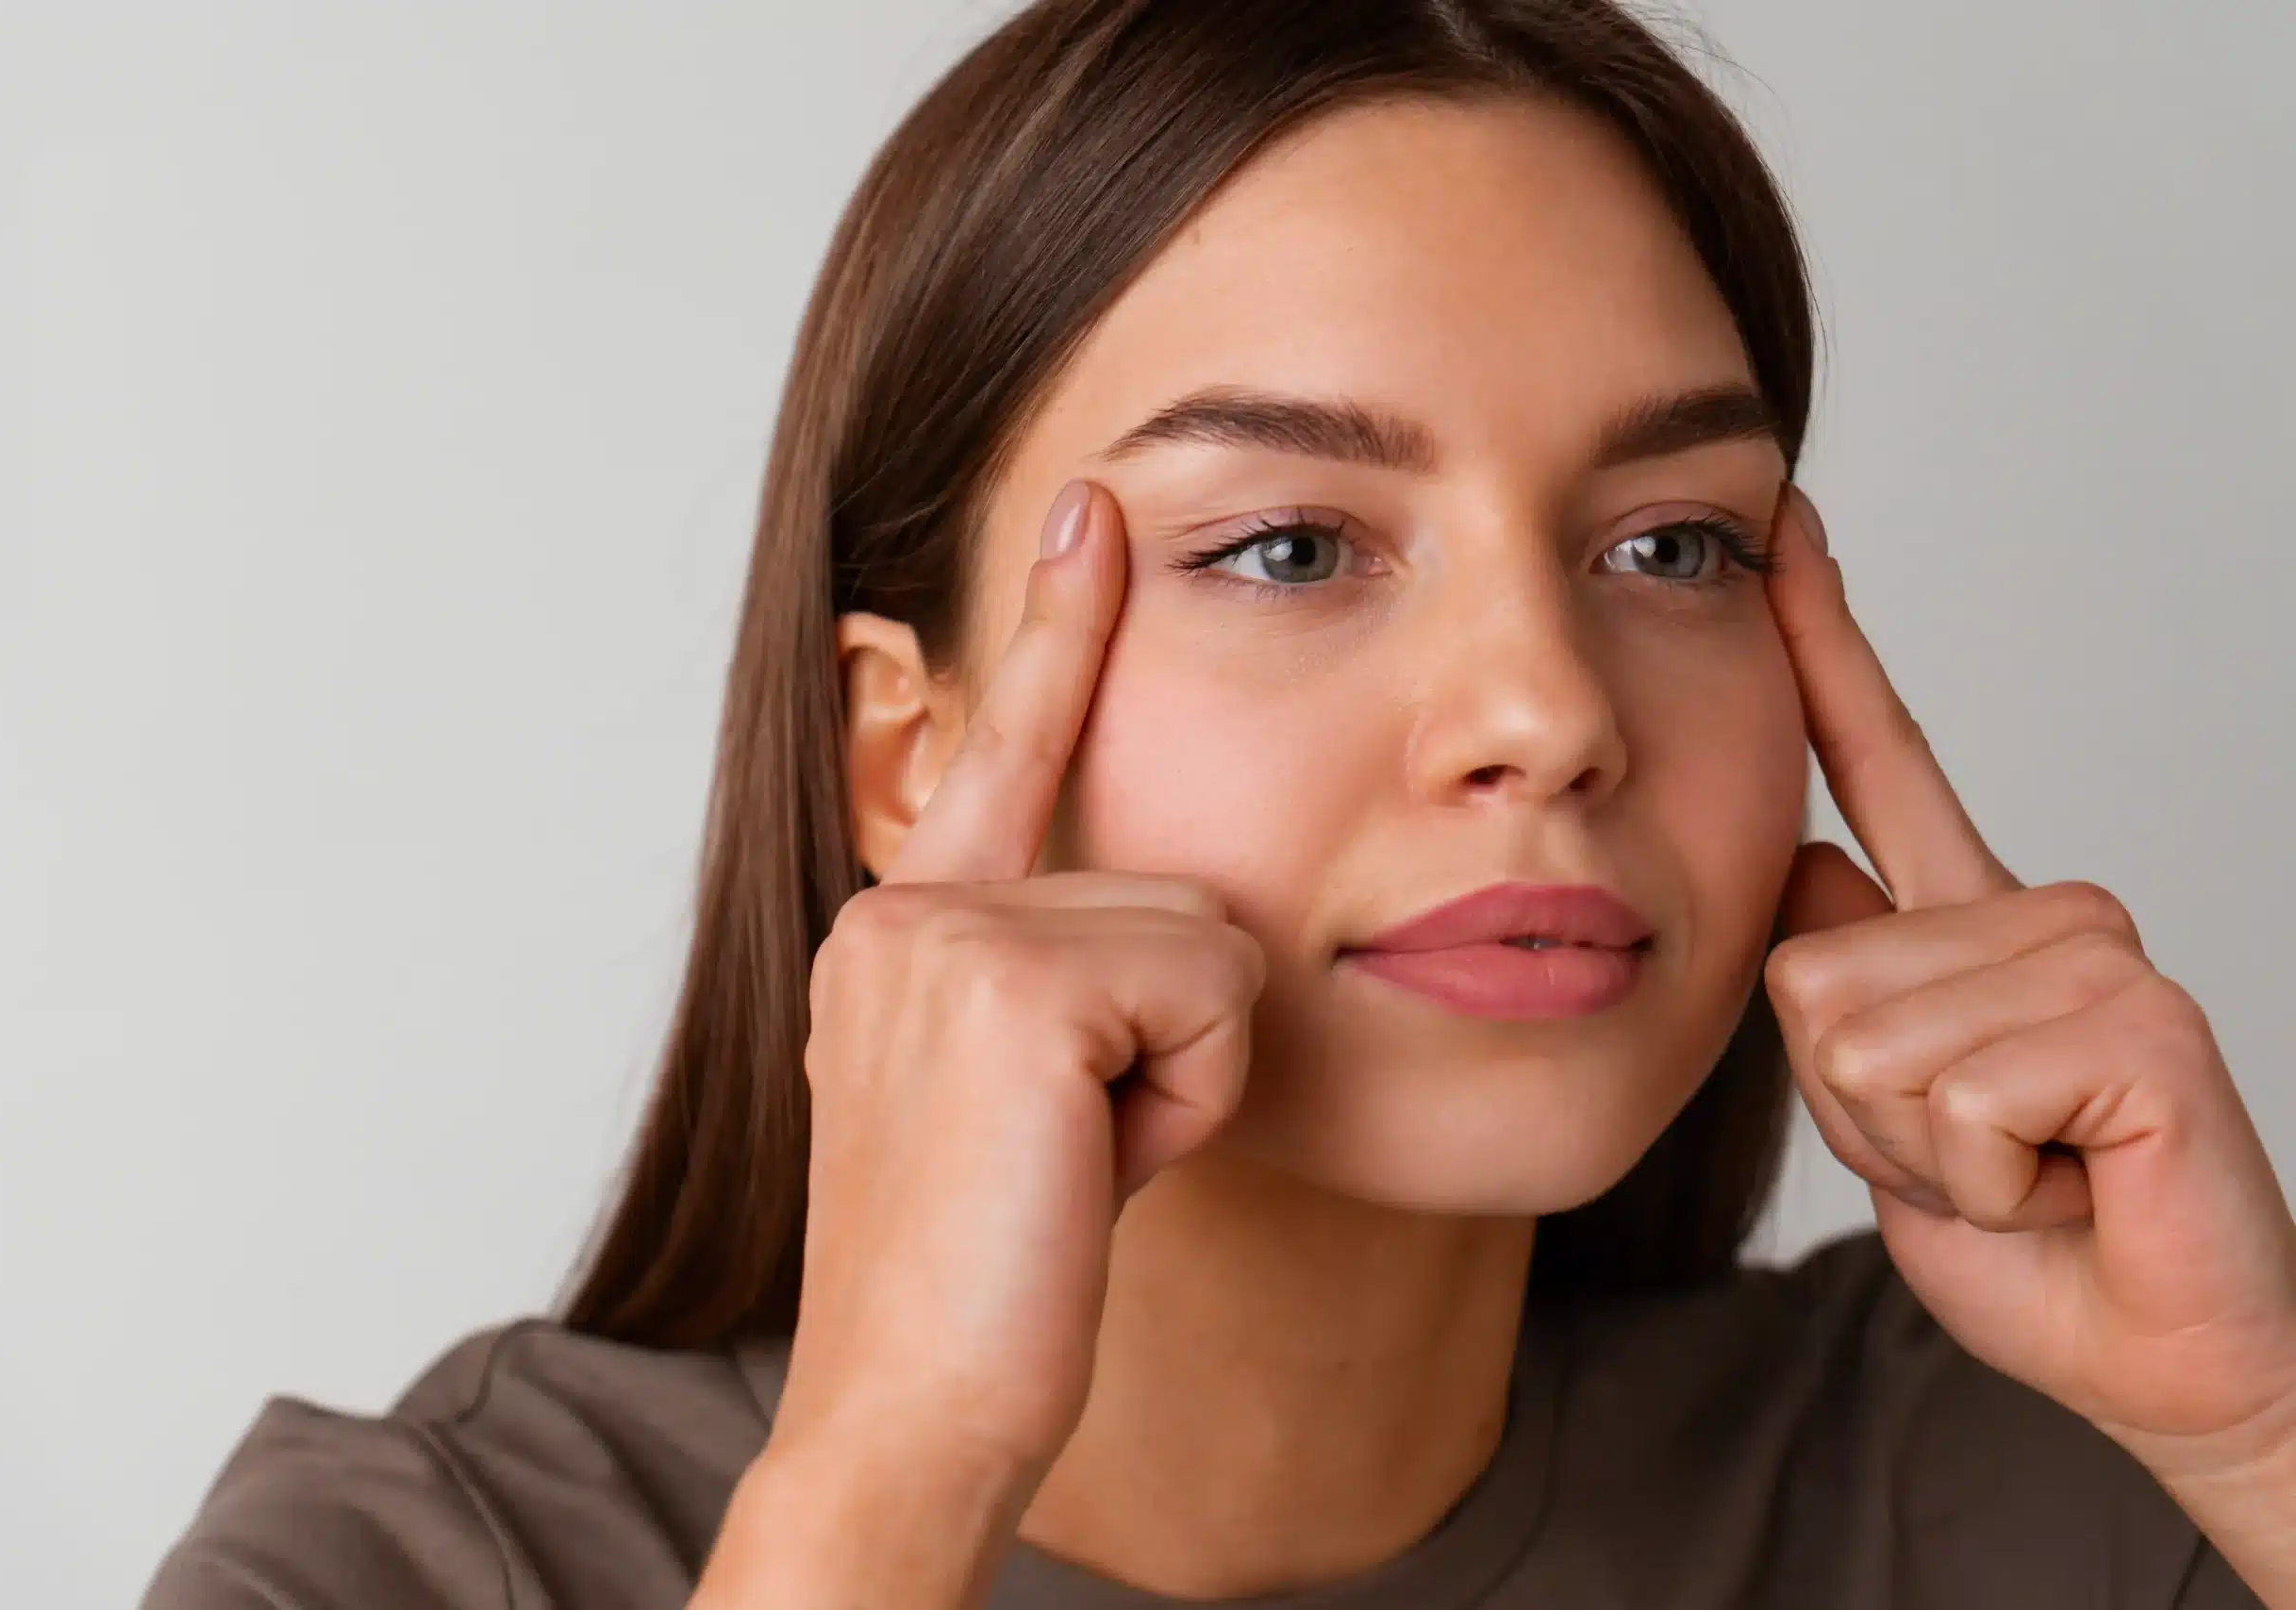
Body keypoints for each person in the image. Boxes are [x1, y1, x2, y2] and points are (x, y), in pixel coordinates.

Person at [141, 1, 2296, 1605]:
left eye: (1669, 547)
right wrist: (885, 1483)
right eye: (1284, 546)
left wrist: (2261, 1431)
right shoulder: (407, 1567)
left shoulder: (2064, 1497)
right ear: (905, 754)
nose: (1546, 713)